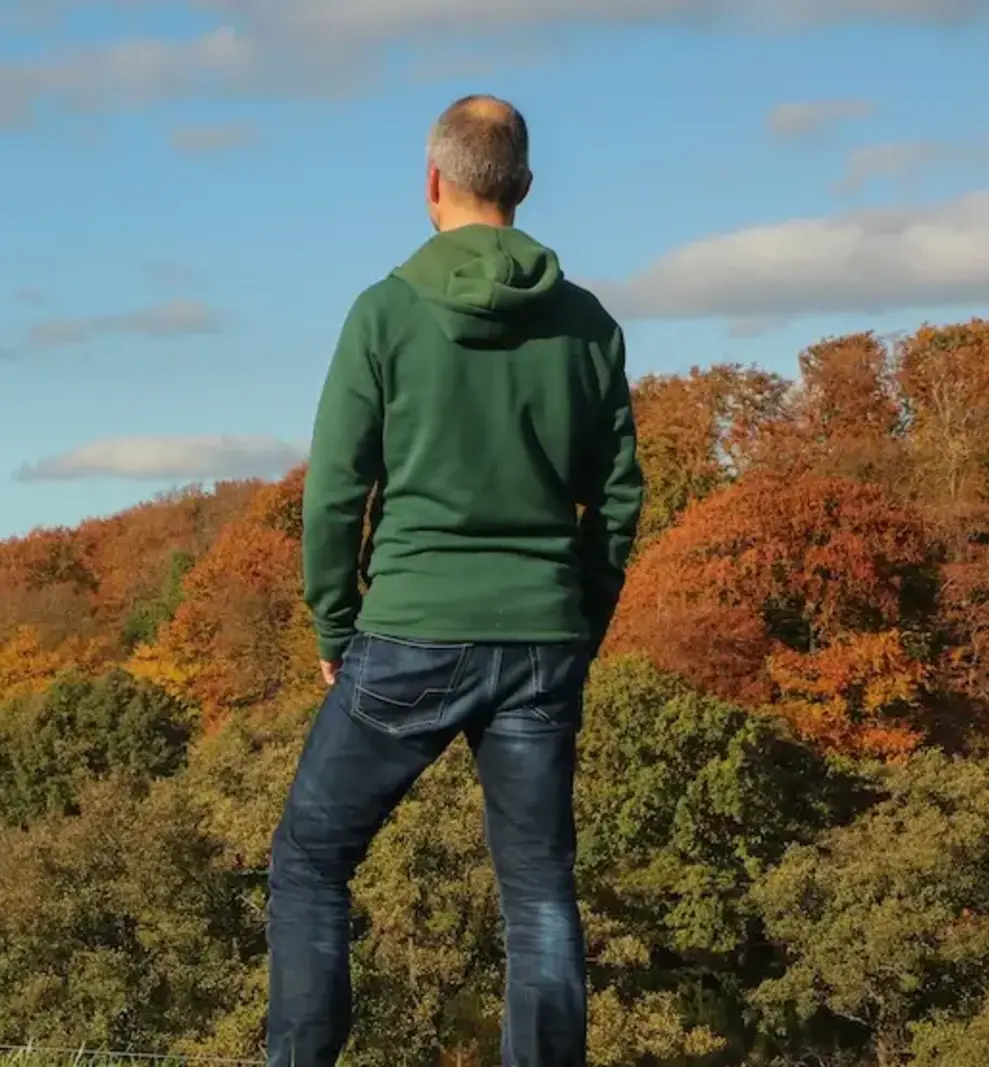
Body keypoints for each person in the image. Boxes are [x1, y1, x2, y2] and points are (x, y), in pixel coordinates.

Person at [265, 94, 645, 1067]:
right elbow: (618, 499)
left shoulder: (385, 312)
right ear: (521, 184)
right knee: (539, 892)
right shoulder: (590, 326)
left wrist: (333, 629)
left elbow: (335, 495)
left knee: (311, 859)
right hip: (543, 643)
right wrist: (579, 624)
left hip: (410, 633)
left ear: (434, 181)